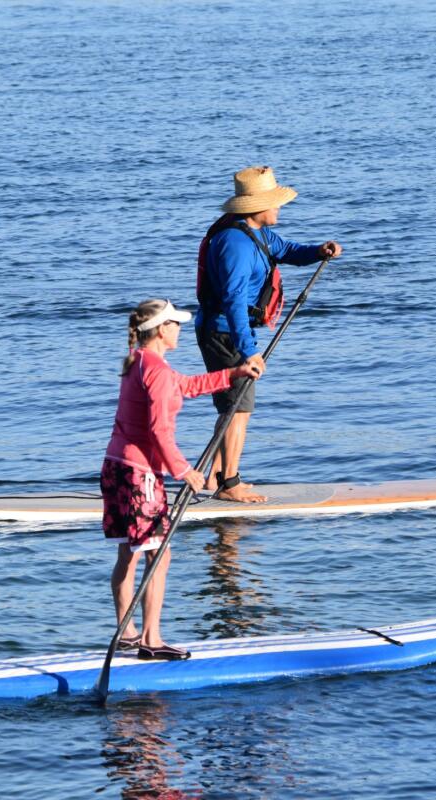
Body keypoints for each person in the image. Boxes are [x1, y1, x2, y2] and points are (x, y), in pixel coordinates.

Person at [101, 298, 263, 660]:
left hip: (115, 465)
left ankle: (125, 632)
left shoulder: (138, 362)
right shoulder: (155, 370)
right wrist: (185, 472)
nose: (180, 329)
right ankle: (151, 639)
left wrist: (233, 374)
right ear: (162, 330)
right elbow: (159, 431)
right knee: (159, 554)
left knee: (129, 551)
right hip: (140, 474)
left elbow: (187, 386)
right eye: (174, 324)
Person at [195, 165, 343, 502]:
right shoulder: (235, 244)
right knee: (239, 408)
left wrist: (319, 251)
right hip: (224, 334)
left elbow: (287, 250)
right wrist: (248, 350)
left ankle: (212, 478)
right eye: (274, 203)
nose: (279, 208)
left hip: (228, 331)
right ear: (256, 207)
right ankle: (229, 484)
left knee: (231, 407)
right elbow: (233, 300)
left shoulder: (256, 233)